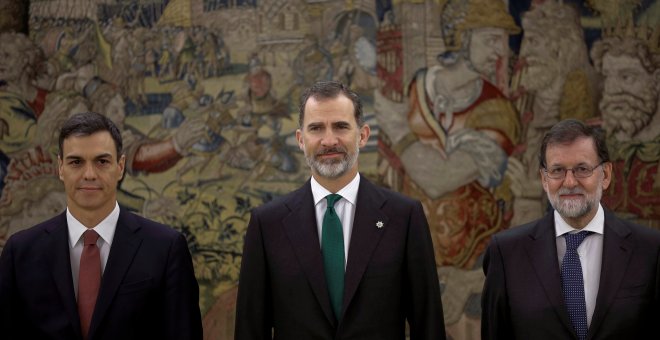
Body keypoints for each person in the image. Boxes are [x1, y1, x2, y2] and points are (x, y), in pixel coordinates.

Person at [235, 81, 445, 339]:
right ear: (301, 140)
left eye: (341, 126)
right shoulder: (267, 224)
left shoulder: (404, 218)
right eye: (316, 128)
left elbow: (429, 324)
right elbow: (250, 329)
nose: (329, 140)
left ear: (363, 135)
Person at [0, 112, 202, 339]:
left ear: (120, 166)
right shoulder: (20, 253)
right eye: (76, 162)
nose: (89, 174)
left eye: (102, 161)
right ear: (60, 168)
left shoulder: (166, 248)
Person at [481, 119, 660, 339]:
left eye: (582, 169)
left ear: (605, 175)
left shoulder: (650, 250)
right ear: (544, 180)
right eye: (557, 170)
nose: (569, 182)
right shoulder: (506, 253)